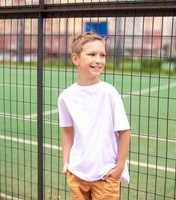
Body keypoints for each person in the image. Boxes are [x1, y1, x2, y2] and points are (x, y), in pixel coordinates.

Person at [58, 32, 131, 200]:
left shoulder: (110, 93)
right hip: (77, 173)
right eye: (92, 54)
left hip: (106, 175)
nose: (99, 60)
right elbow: (67, 130)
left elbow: (125, 132)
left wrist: (119, 168)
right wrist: (67, 162)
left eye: (102, 55)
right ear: (75, 59)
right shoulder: (66, 96)